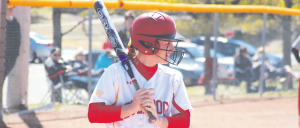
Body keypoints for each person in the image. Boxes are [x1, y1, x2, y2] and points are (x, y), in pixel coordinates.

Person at [88, 12, 193, 128]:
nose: (172, 49)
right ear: (147, 44)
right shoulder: (115, 73)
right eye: (167, 43)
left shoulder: (173, 78)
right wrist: (132, 108)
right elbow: (94, 113)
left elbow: (184, 121)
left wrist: (159, 120)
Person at [4, 6, 21, 78]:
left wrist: (15, 53)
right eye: (9, 9)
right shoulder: (2, 22)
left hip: (11, 55)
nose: (11, 11)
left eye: (12, 9)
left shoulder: (15, 22)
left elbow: (18, 40)